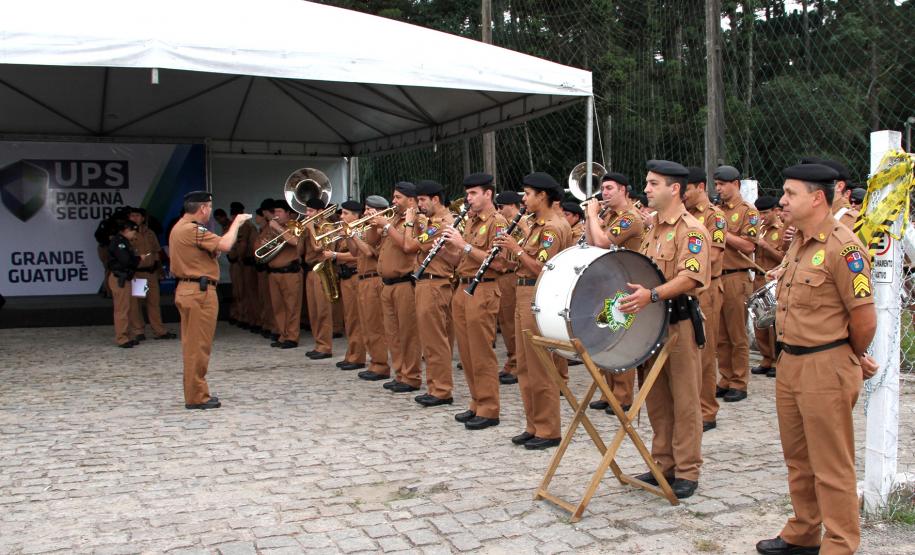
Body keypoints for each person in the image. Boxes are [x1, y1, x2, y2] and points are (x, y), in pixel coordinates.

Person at [755, 163, 877, 555]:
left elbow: (864, 319)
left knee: (831, 464)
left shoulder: (845, 248)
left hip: (825, 366)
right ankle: (805, 530)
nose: (783, 201)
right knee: (799, 459)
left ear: (816, 197)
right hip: (790, 362)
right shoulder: (799, 242)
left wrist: (848, 355)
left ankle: (840, 542)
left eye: (790, 194)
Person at [618, 160, 709, 499]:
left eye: (653, 184)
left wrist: (652, 294)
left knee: (685, 399)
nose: (647, 189)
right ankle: (663, 463)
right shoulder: (653, 228)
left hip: (679, 323)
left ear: (674, 189)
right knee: (656, 399)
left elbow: (690, 277)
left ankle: (687, 470)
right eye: (647, 182)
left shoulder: (691, 230)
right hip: (652, 323)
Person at [494, 172, 572, 449]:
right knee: (525, 366)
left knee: (540, 366)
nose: (523, 199)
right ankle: (534, 425)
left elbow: (542, 268)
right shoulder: (537, 225)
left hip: (537, 293)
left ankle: (549, 429)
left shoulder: (553, 227)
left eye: (527, 194)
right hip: (523, 291)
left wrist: (515, 249)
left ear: (542, 196)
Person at [169, 191, 251, 409]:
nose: (211, 212)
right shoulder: (193, 229)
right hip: (199, 292)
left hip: (189, 289)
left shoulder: (180, 227)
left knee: (193, 345)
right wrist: (237, 223)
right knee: (198, 346)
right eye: (210, 207)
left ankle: (196, 392)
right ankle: (197, 397)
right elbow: (225, 245)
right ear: (203, 208)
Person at [441, 172, 509, 430]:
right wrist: (450, 248)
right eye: (467, 194)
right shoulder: (469, 221)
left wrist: (465, 246)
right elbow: (461, 261)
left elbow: (500, 262)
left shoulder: (498, 222)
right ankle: (476, 402)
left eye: (473, 194)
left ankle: (490, 408)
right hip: (463, 286)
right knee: (467, 352)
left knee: (481, 352)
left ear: (488, 194)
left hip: (484, 289)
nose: (468, 199)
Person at [584, 172, 644, 414]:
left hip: (625, 284)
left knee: (620, 339)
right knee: (606, 338)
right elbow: (591, 242)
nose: (604, 193)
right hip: (608, 281)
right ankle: (608, 391)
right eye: (603, 188)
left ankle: (623, 396)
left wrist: (590, 214)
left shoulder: (630, 218)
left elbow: (602, 242)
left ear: (624, 191)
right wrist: (592, 219)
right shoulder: (608, 216)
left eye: (610, 188)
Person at [407, 180, 458, 406]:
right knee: (430, 339)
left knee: (435, 339)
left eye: (422, 200)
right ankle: (435, 386)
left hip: (434, 283)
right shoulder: (433, 222)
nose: (419, 206)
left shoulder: (441, 224)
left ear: (435, 199)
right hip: (428, 283)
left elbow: (410, 246)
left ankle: (441, 390)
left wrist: (409, 224)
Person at [683, 167, 727, 432]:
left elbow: (713, 255)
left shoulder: (715, 217)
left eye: (687, 189)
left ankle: (707, 411)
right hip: (685, 287)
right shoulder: (683, 217)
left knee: (706, 350)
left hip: (707, 289)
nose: (684, 195)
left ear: (699, 187)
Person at [368, 182, 423, 392]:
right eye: (393, 197)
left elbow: (408, 247)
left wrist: (388, 227)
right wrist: (374, 223)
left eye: (398, 197)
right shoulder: (392, 219)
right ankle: (400, 374)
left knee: (408, 333)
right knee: (393, 333)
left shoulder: (416, 220)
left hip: (404, 283)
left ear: (411, 200)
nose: (393, 201)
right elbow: (372, 242)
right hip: (387, 284)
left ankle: (412, 376)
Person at [714, 165, 758, 403]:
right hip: (718, 275)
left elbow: (750, 246)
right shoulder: (717, 210)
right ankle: (725, 377)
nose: (718, 189)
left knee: (736, 333)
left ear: (736, 184)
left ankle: (739, 382)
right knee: (720, 334)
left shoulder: (747, 212)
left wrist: (721, 233)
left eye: (722, 184)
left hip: (737, 276)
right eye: (717, 184)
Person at [354, 195, 393, 382]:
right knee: (367, 324)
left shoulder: (379, 227)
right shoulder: (368, 227)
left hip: (374, 279)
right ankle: (374, 362)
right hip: (362, 278)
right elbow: (355, 252)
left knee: (375, 324)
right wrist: (349, 235)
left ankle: (380, 364)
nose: (366, 212)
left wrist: (354, 235)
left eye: (370, 210)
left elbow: (369, 251)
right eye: (366, 209)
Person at [325, 200, 367, 370]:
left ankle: (357, 357)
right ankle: (351, 354)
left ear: (356, 215)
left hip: (355, 275)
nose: (341, 217)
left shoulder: (361, 230)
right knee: (349, 318)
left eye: (346, 214)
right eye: (342, 213)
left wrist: (335, 255)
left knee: (356, 319)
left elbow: (358, 255)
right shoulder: (346, 230)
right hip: (345, 277)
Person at [126, 207, 175, 341]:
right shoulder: (129, 233)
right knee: (137, 303)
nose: (134, 218)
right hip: (138, 273)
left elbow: (157, 252)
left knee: (154, 302)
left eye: (137, 216)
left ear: (143, 218)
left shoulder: (150, 233)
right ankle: (138, 331)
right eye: (132, 216)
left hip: (151, 272)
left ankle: (159, 330)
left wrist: (159, 270)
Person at [750, 196, 786, 379]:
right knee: (759, 320)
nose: (762, 217)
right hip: (757, 278)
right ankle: (765, 357)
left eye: (765, 213)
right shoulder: (760, 229)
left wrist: (764, 245)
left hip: (773, 279)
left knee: (773, 322)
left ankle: (775, 359)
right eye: (759, 213)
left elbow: (784, 258)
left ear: (775, 211)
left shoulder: (781, 230)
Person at [495, 191, 525, 385]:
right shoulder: (506, 223)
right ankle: (512, 359)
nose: (499, 210)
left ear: (511, 206)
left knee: (512, 324)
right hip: (504, 275)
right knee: (505, 323)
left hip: (514, 275)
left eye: (501, 206)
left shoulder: (522, 223)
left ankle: (517, 363)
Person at [263, 200, 303, 349]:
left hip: (290, 272)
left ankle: (292, 337)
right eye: (275, 212)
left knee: (292, 306)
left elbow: (296, 242)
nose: (276, 215)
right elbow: (262, 246)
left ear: (288, 213)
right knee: (278, 306)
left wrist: (279, 229)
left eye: (279, 212)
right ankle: (283, 335)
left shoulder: (294, 226)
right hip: (274, 273)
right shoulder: (270, 227)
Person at [108, 219, 153, 348]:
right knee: (121, 309)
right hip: (120, 278)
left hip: (126, 277)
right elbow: (125, 260)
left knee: (127, 308)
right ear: (127, 230)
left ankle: (127, 335)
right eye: (134, 231)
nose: (135, 234)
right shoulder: (119, 242)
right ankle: (122, 338)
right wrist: (139, 258)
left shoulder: (123, 241)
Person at [301, 198, 334, 358]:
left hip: (322, 270)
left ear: (320, 212)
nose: (307, 214)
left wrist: (311, 230)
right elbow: (300, 250)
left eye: (310, 211)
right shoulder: (311, 227)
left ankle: (325, 346)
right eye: (307, 211)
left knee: (322, 310)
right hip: (310, 270)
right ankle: (318, 343)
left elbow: (318, 247)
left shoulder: (327, 226)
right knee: (313, 310)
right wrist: (302, 233)